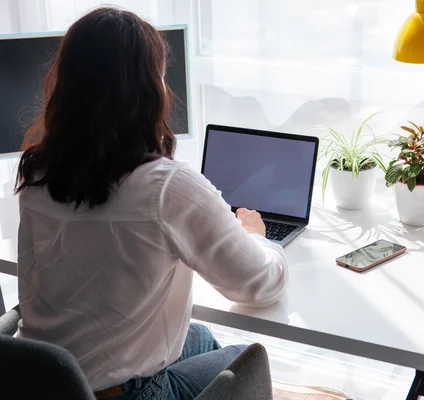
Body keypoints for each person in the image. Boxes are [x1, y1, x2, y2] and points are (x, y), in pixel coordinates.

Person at [14, 7, 288, 400]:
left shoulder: (37, 172)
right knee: (244, 358)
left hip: (40, 381)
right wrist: (258, 237)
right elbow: (261, 285)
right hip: (127, 394)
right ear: (149, 89)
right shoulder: (167, 187)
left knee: (198, 335)